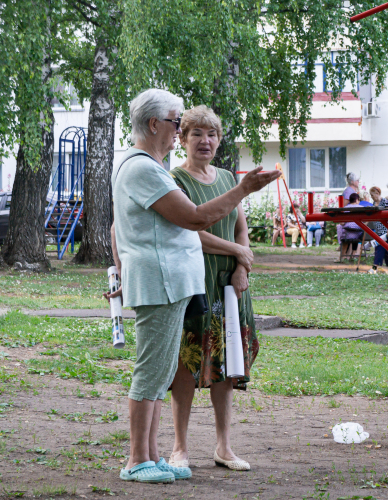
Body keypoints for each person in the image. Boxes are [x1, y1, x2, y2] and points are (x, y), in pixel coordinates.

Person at [108, 90, 280, 484]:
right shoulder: (145, 168)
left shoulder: (145, 166)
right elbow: (196, 218)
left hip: (170, 282)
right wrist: (245, 188)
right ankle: (137, 460)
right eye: (176, 123)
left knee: (163, 367)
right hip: (160, 281)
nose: (178, 131)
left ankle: (151, 455)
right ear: (156, 125)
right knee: (151, 372)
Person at [167, 105, 268, 472]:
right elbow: (190, 231)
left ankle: (224, 447)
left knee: (228, 363)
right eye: (196, 134)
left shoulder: (228, 178)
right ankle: (179, 448)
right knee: (187, 363)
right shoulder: (175, 181)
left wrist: (242, 265)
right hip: (195, 282)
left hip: (230, 287)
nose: (205, 141)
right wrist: (237, 251)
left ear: (219, 140)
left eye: (211, 134)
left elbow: (240, 226)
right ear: (183, 139)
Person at [368, 187, 388, 275]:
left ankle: (374, 267)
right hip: (378, 229)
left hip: (384, 229)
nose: (372, 197)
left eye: (372, 195)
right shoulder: (374, 203)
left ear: (377, 193)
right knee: (387, 249)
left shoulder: (384, 201)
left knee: (379, 247)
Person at [340, 193, 364, 258]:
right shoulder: (362, 208)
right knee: (355, 232)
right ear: (356, 200)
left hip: (348, 233)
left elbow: (342, 222)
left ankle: (343, 255)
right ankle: (353, 255)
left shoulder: (345, 208)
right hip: (359, 233)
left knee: (345, 232)